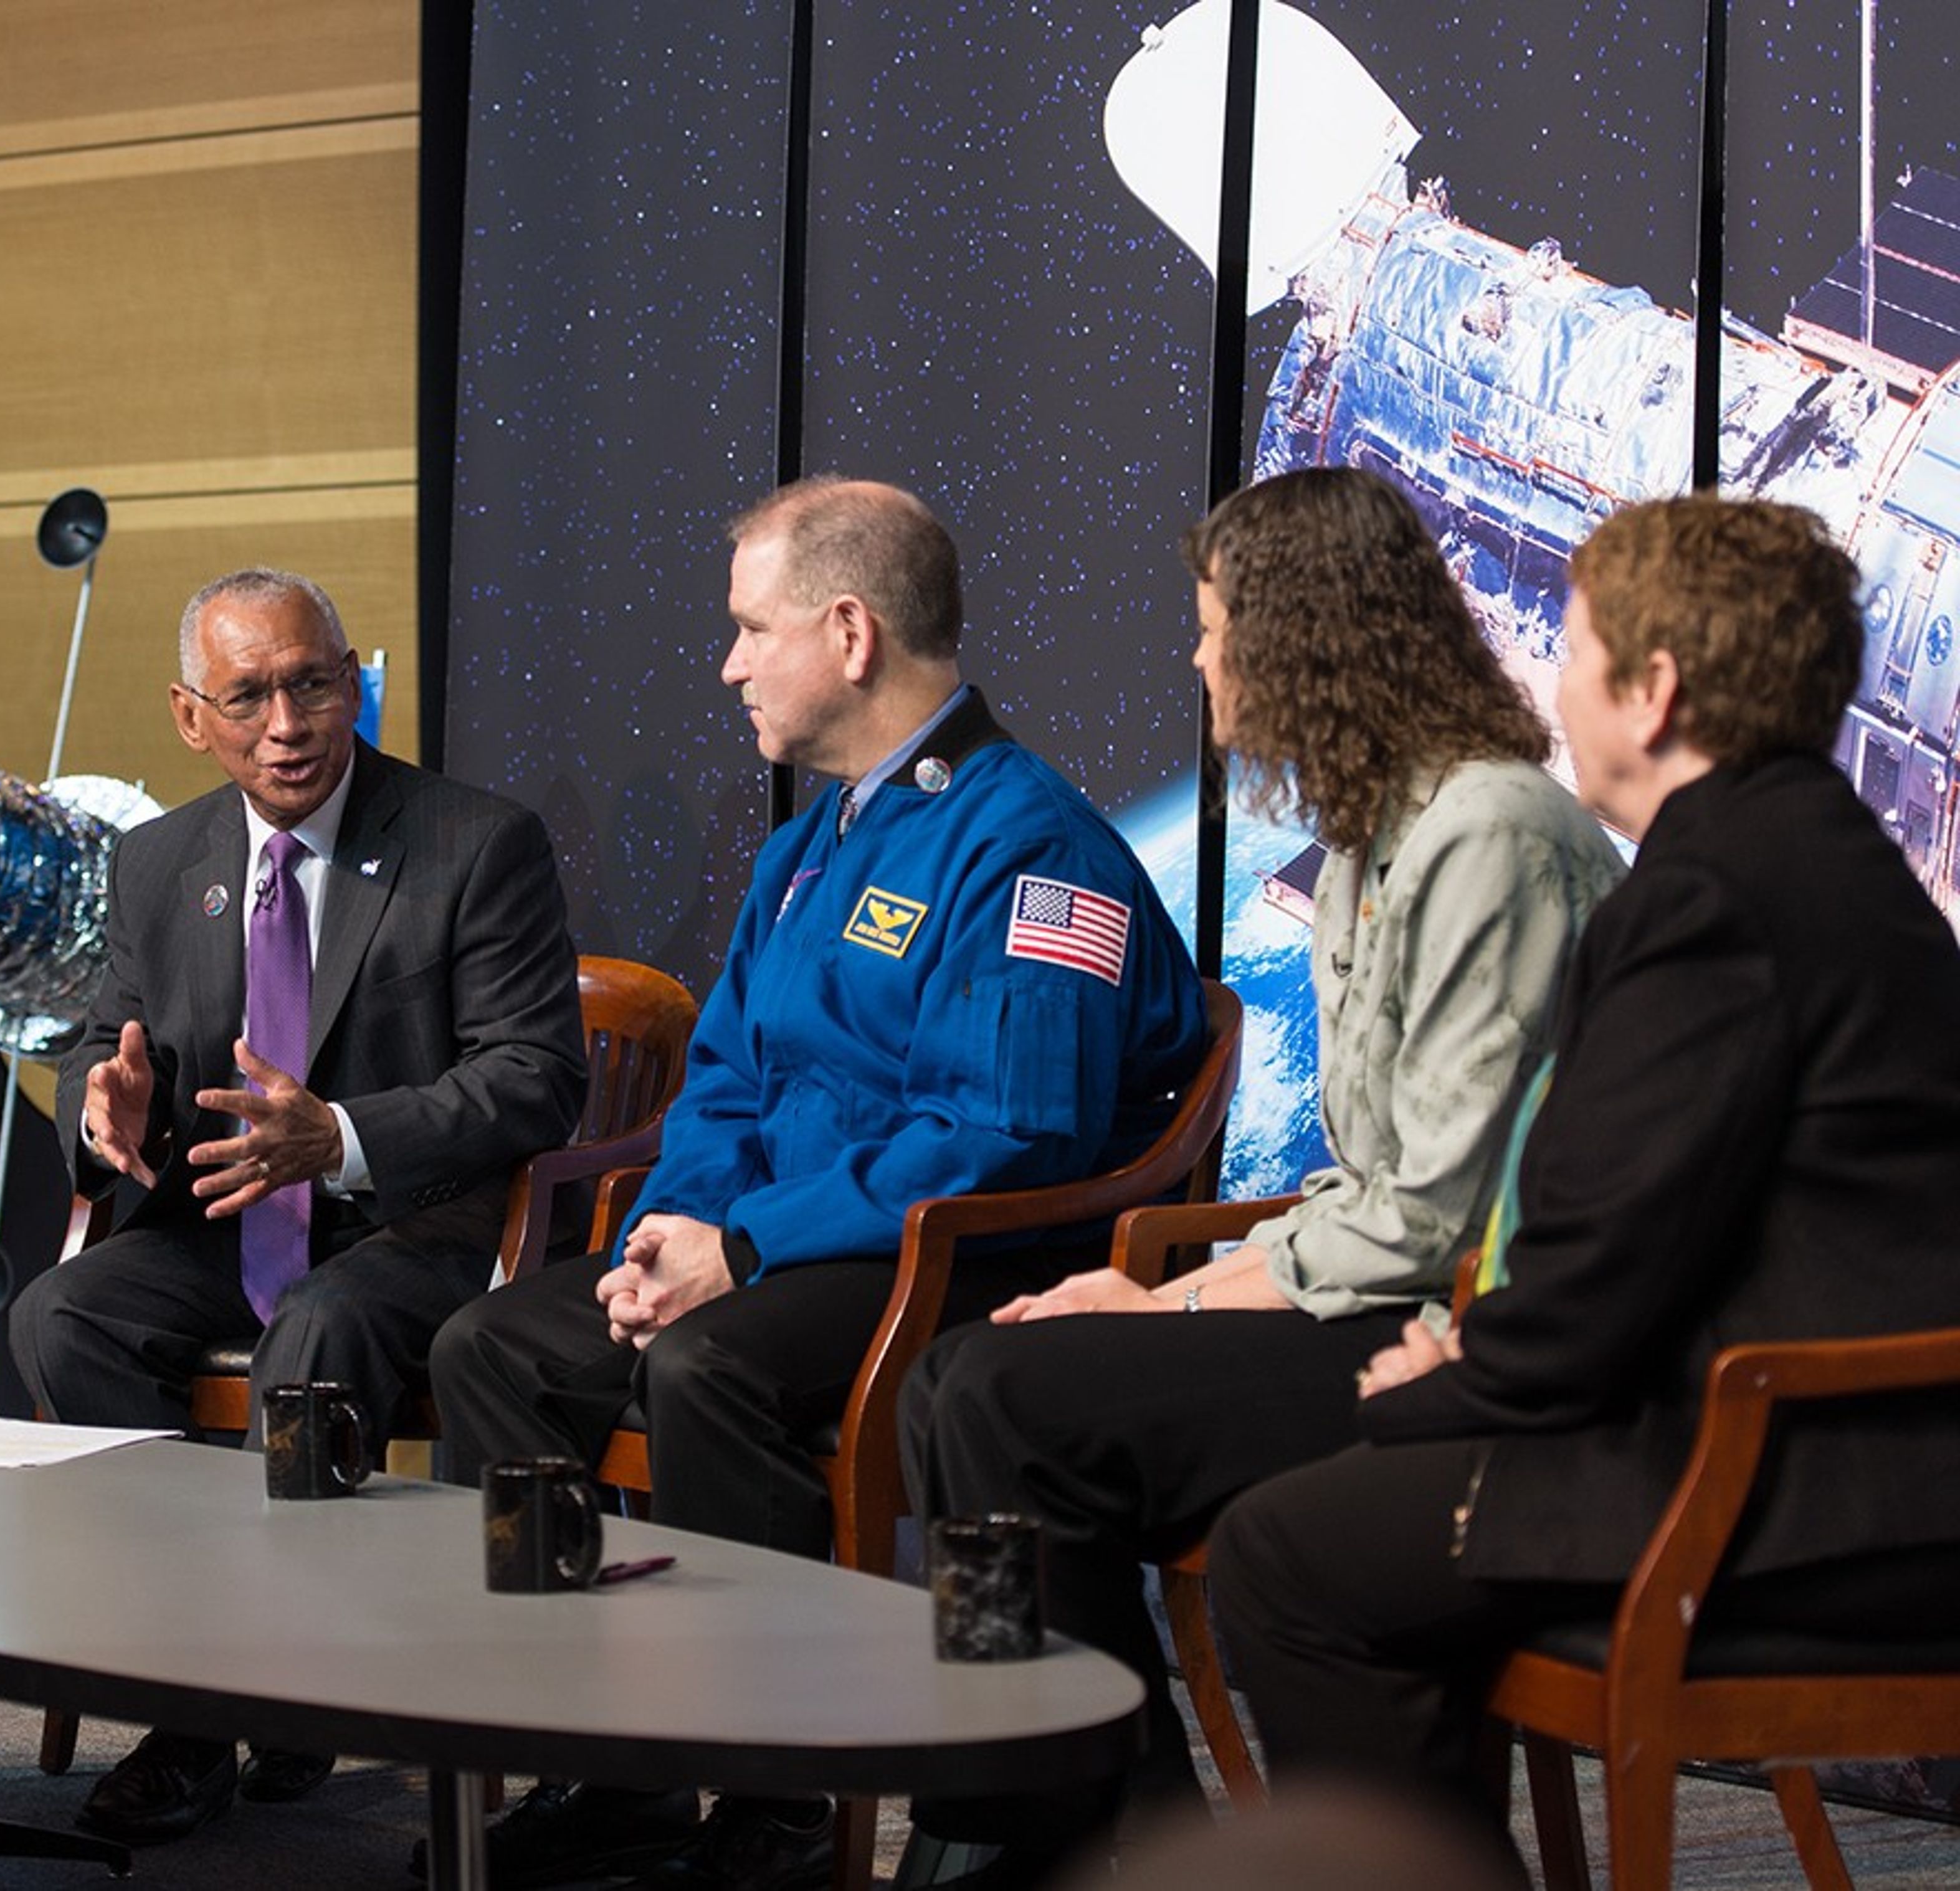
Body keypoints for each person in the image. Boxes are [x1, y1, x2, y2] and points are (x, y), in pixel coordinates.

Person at [426, 476, 1207, 1890]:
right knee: (492, 1350)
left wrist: (746, 1242)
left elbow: (1002, 1136)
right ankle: (613, 1777)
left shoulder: (1031, 845)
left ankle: (781, 1794)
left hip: (955, 1261)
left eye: (749, 629)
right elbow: (723, 1077)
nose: (728, 665)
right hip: (775, 1243)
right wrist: (682, 1225)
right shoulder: (807, 848)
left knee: (707, 1374)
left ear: (847, 632)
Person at [888, 466, 1624, 1889]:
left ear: (1305, 638)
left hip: (1460, 1346)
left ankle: (1080, 1831)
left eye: (1216, 624)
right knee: (964, 1376)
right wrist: (1156, 1285)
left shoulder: (1490, 835)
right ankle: (1058, 1811)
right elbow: (1373, 1189)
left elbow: (1432, 1212)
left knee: (1003, 1402)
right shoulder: (1367, 845)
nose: (1198, 657)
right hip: (1376, 1299)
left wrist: (1170, 1311)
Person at [1210, 495, 1960, 1864]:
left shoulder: (1712, 901)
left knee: (1287, 1557)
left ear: (1653, 690)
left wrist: (1448, 1385)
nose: (1550, 683)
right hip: (1849, 1458)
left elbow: (1605, 1255)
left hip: (1796, 1490)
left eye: (1570, 644)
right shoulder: (1808, 862)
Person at [7, 566, 587, 1846]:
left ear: (351, 683)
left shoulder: (473, 843)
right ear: (189, 716)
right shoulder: (159, 863)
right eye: (251, 694)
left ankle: (296, 1677)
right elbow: (108, 1048)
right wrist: (107, 1114)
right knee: (63, 1319)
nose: (289, 722)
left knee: (317, 1336)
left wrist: (343, 1137)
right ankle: (198, 1688)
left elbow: (536, 1076)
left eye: (314, 684)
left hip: (414, 1228)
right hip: (225, 1222)